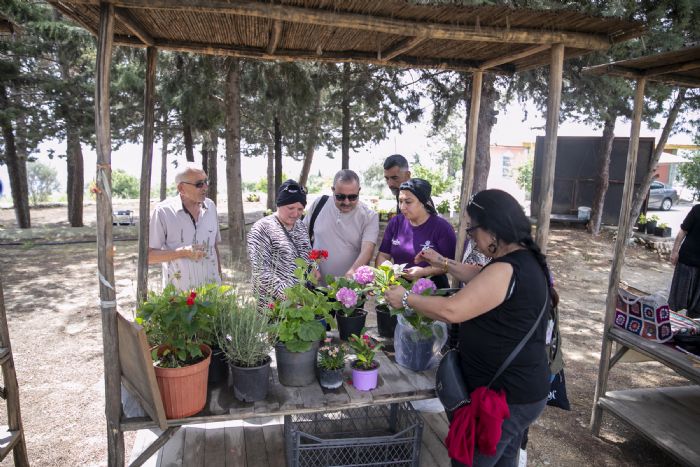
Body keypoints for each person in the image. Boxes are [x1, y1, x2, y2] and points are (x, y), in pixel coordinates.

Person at [385, 189, 551, 467]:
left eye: (473, 229)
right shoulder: (521, 261)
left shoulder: (507, 269)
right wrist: (443, 262)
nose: (472, 236)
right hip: (517, 392)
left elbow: (452, 310)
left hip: (503, 398)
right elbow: (480, 276)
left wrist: (405, 298)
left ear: (493, 230)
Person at [148, 163, 221, 291]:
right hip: (180, 301)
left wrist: (220, 280)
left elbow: (214, 247)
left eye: (206, 181)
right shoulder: (163, 212)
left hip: (212, 296)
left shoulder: (211, 206)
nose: (205, 187)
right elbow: (149, 256)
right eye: (199, 184)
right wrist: (183, 252)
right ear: (181, 188)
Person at [376, 178, 456, 289]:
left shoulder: (442, 228)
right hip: (398, 289)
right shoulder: (396, 222)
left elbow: (450, 265)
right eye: (400, 201)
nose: (402, 207)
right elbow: (383, 255)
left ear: (423, 202)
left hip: (432, 292)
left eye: (408, 202)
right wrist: (387, 273)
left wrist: (424, 271)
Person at [247, 179, 315, 306]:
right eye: (291, 208)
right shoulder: (262, 228)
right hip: (272, 306)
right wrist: (289, 294)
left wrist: (313, 269)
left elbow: (308, 255)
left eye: (300, 209)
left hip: (300, 302)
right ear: (279, 204)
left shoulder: (300, 226)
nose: (295, 214)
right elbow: (260, 270)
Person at [303, 169, 379, 283]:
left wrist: (352, 272)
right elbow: (301, 237)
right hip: (315, 287)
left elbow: (367, 250)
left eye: (353, 197)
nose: (347, 202)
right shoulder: (319, 204)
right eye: (340, 197)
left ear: (359, 191)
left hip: (350, 290)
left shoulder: (369, 216)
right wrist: (309, 265)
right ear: (333, 190)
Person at [669, 203, 700, 318]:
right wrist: (675, 251)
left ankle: (691, 332)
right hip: (687, 262)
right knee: (676, 300)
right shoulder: (697, 209)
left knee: (697, 307)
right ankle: (669, 326)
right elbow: (683, 231)